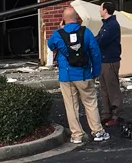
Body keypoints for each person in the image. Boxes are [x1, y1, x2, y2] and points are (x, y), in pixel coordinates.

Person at [47, 7, 109, 144]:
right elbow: (95, 53)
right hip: (84, 74)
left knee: (71, 106)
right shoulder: (86, 32)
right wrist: (95, 72)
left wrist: (60, 29)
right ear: (77, 18)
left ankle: (76, 135)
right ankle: (98, 132)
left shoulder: (58, 33)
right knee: (90, 103)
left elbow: (50, 45)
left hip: (66, 76)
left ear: (64, 19)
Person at [94, 2, 124, 126]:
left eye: (100, 8)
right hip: (104, 60)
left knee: (112, 89)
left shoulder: (112, 26)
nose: (99, 10)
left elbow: (101, 40)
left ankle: (116, 115)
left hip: (110, 61)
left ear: (105, 10)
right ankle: (106, 113)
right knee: (104, 88)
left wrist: (92, 41)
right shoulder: (106, 24)